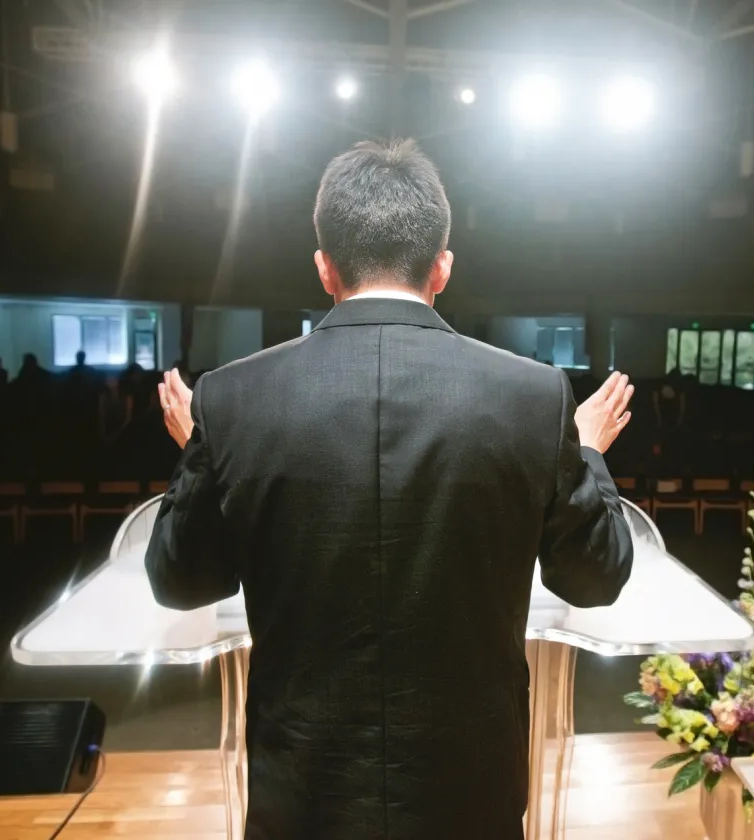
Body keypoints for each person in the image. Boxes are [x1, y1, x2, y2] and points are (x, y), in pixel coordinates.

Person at [146, 139, 635, 839]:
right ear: (442, 268)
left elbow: (181, 579)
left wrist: (208, 448)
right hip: (470, 791)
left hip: (304, 794)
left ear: (324, 268)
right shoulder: (534, 397)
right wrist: (586, 449)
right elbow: (594, 577)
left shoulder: (233, 399)